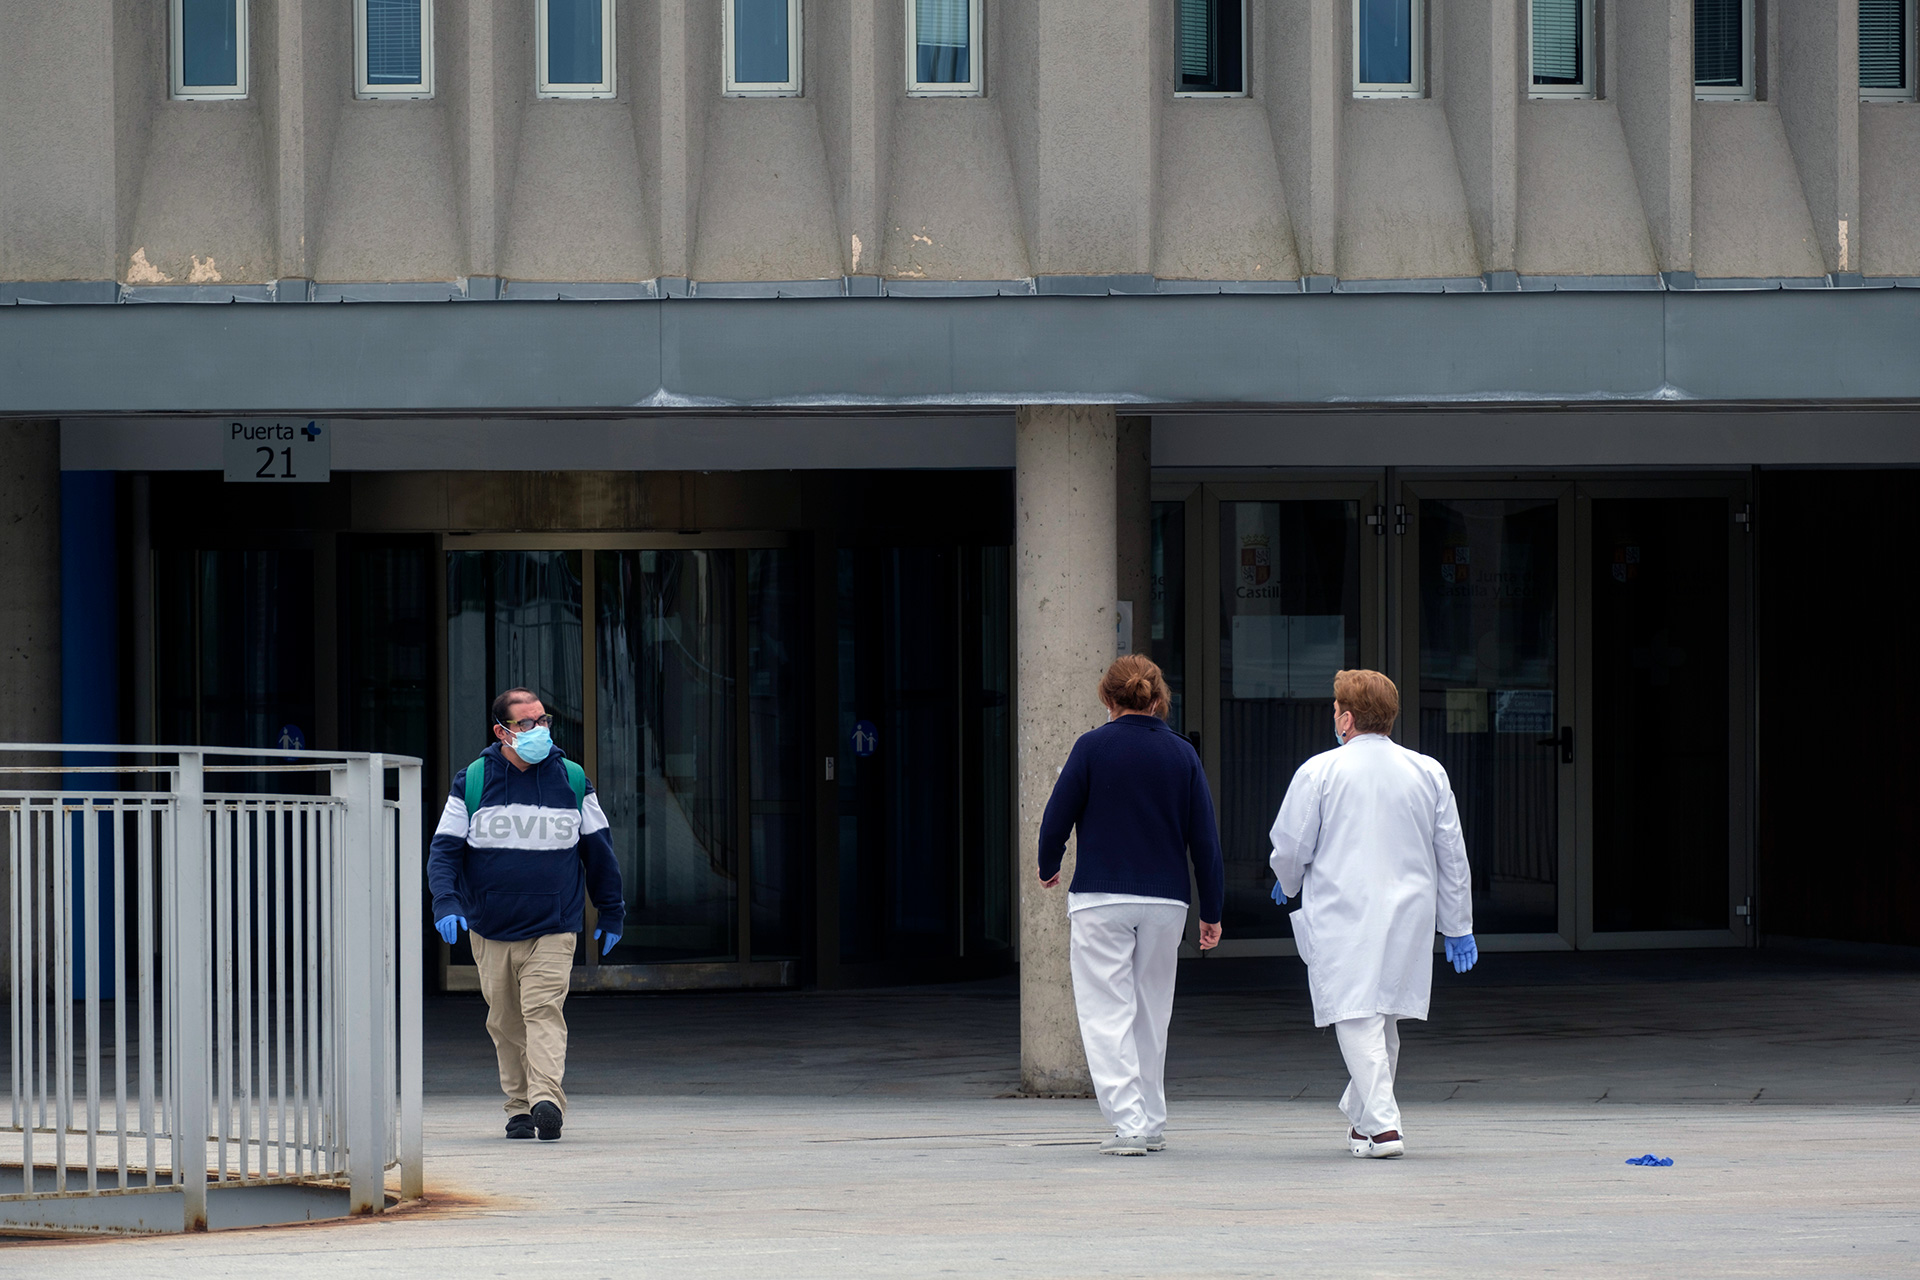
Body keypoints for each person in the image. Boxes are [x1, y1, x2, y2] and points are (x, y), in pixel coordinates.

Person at [1268, 669, 1475, 1159]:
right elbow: (1452, 853)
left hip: (1346, 910)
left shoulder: (1320, 770)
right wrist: (1458, 924)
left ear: (1346, 717)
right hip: (1409, 913)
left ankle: (1385, 1129)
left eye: (1335, 710)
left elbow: (1292, 842)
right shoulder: (1428, 771)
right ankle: (1363, 1122)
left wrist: (1288, 878)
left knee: (1355, 1013)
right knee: (1383, 1018)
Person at [1038, 654, 1226, 1156]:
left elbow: (1057, 816)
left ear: (1107, 698)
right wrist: (1212, 911)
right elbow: (1204, 841)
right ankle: (1153, 1118)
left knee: (1107, 1012)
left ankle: (1129, 1124)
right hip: (1166, 901)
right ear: (1159, 699)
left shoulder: (1091, 748)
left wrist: (1048, 863)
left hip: (1101, 898)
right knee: (1151, 1011)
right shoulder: (1183, 754)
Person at [428, 688, 625, 1142]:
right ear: (502, 731)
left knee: (543, 1011)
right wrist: (446, 901)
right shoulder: (472, 781)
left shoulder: (573, 779)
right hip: (491, 926)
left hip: (553, 926)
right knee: (505, 1021)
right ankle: (519, 1107)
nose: (539, 730)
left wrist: (611, 911)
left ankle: (546, 1101)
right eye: (525, 724)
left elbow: (600, 853)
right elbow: (444, 852)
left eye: (543, 720)